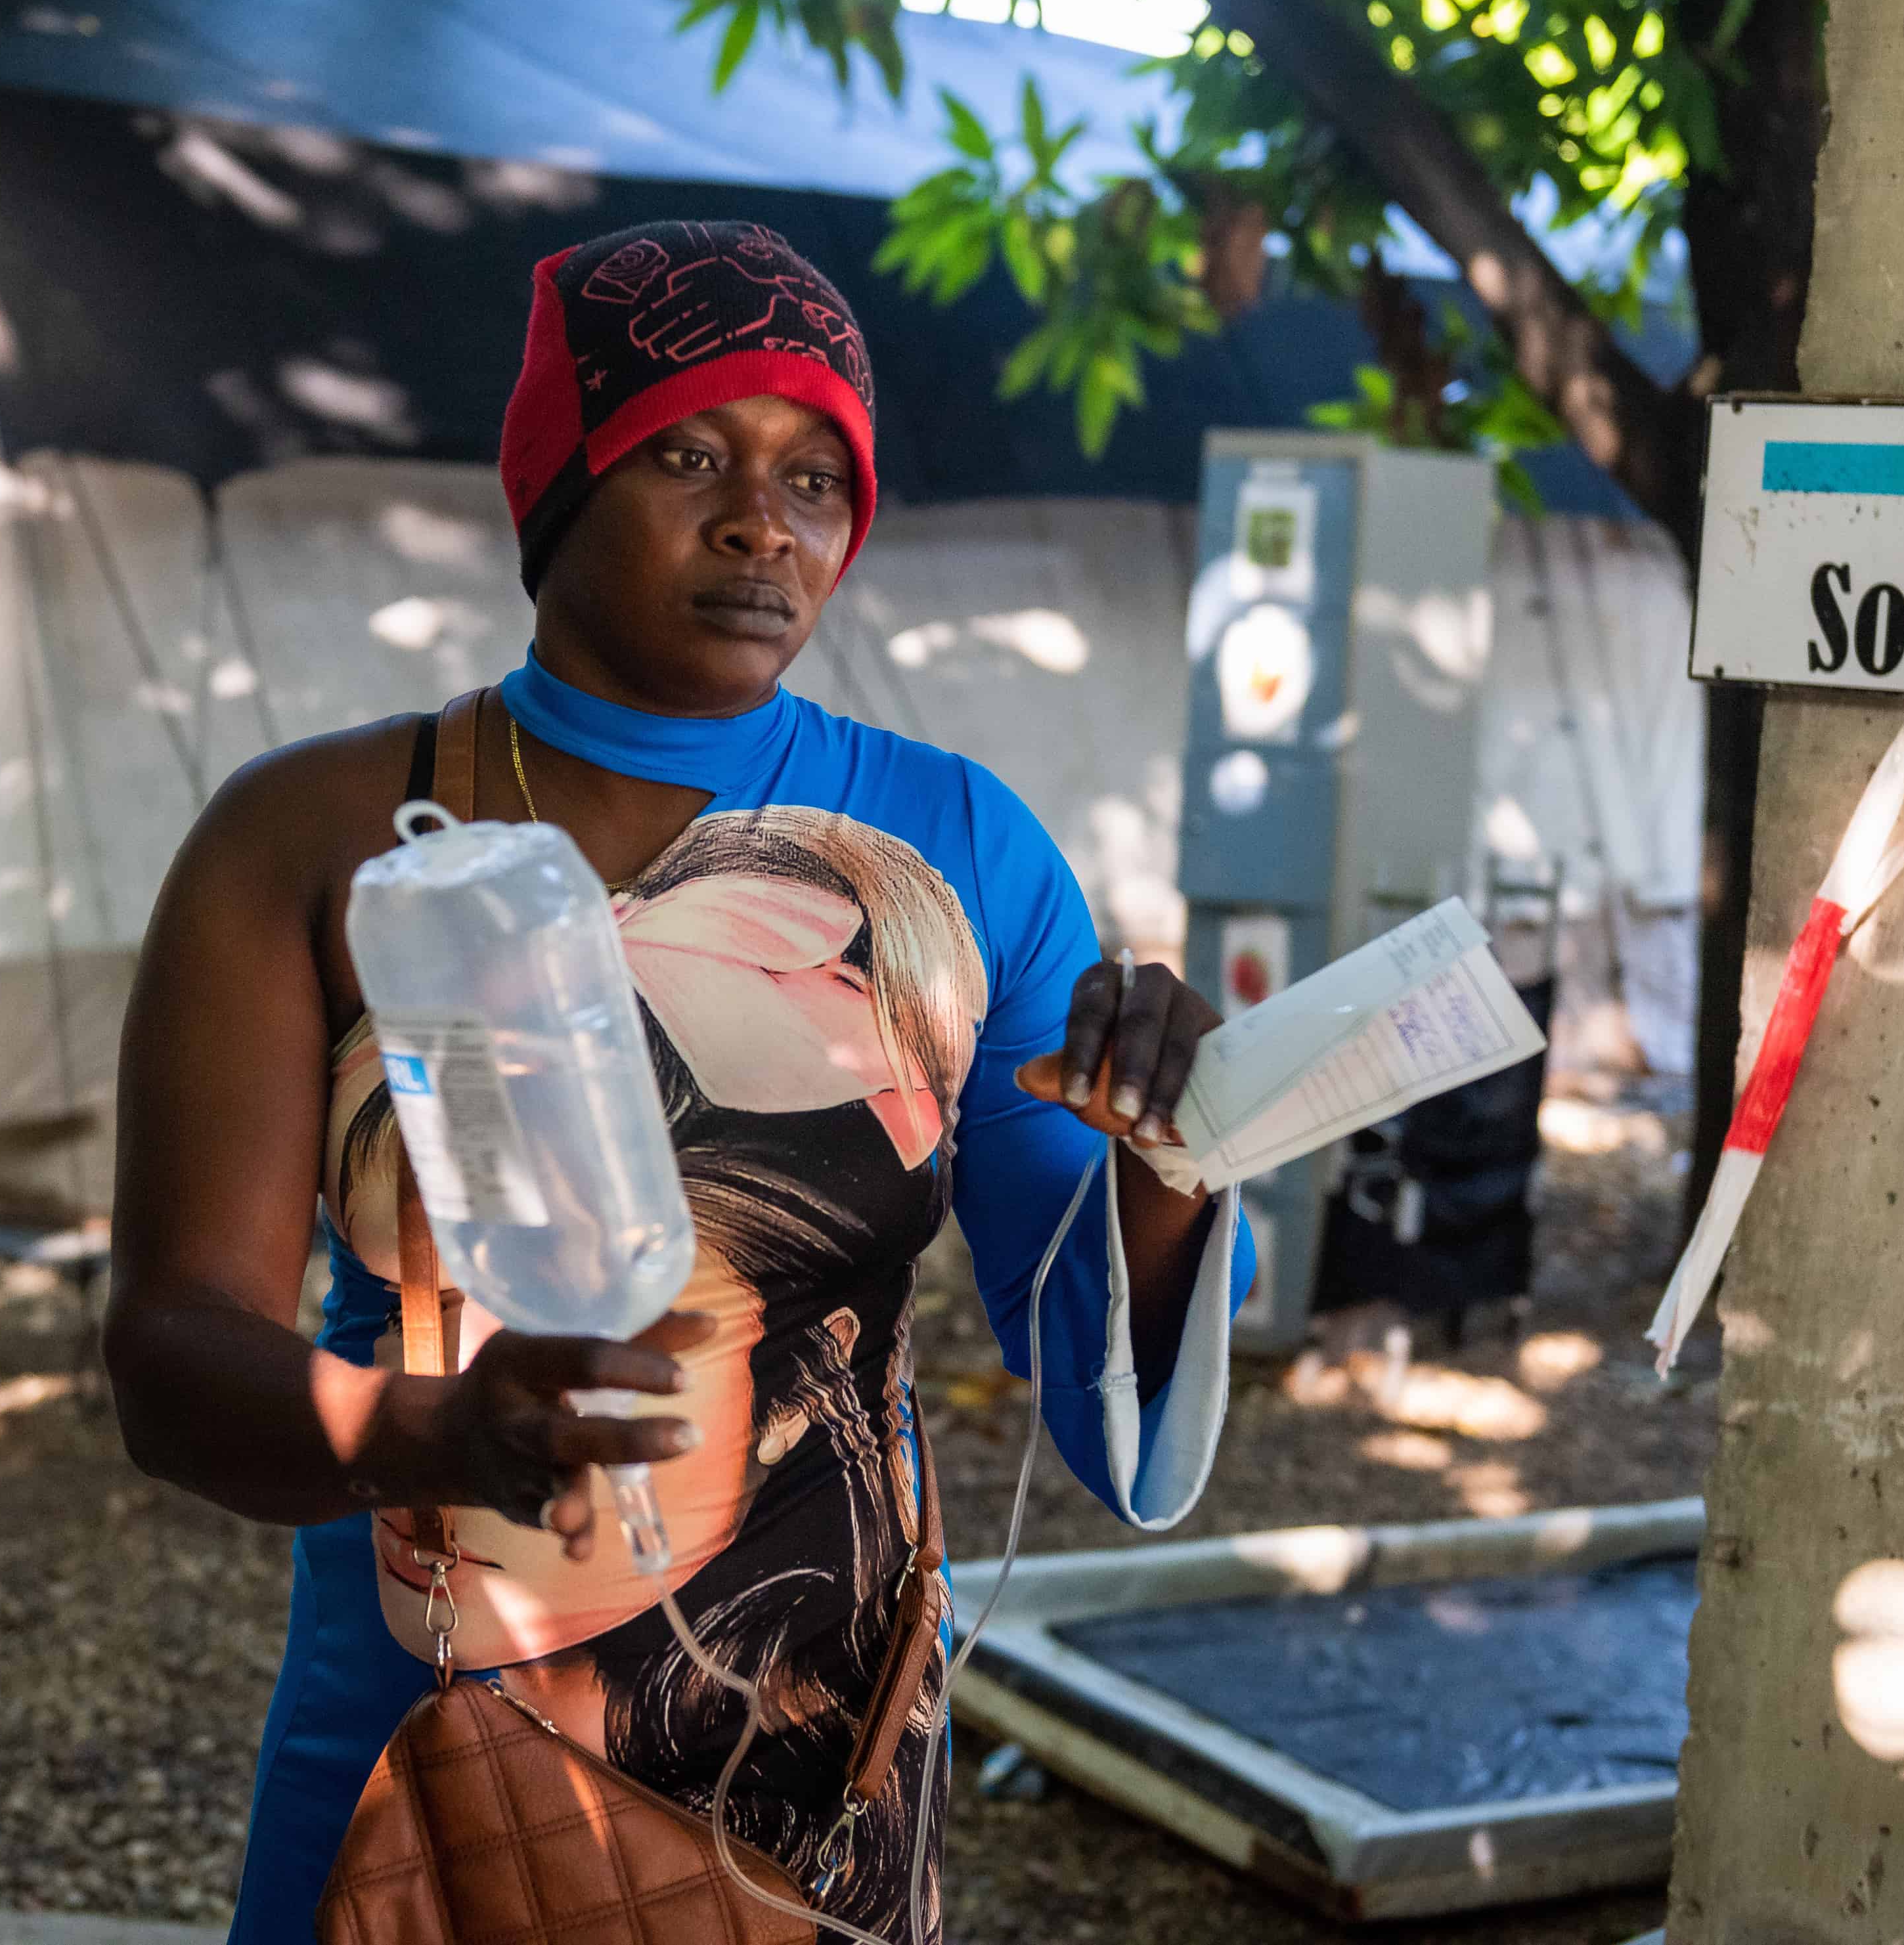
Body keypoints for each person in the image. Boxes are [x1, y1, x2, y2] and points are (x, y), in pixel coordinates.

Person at [107, 221, 1256, 1945]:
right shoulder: (316, 839)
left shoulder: (955, 858)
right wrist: (434, 1431)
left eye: (815, 478)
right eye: (688, 454)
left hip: (820, 1784)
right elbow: (173, 1348)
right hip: (431, 1773)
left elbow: (1095, 1343)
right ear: (558, 486)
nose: (761, 520)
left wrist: (1177, 1153)